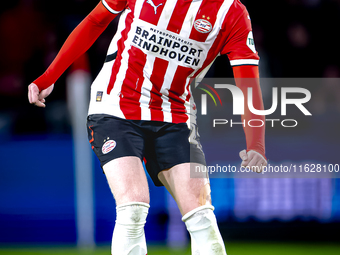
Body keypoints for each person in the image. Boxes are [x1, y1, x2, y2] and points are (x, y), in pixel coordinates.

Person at [28, 0, 267, 254]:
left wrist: (257, 144)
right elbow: (96, 20)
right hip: (115, 106)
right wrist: (50, 76)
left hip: (175, 116)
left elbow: (249, 85)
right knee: (133, 206)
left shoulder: (231, 12)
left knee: (202, 216)